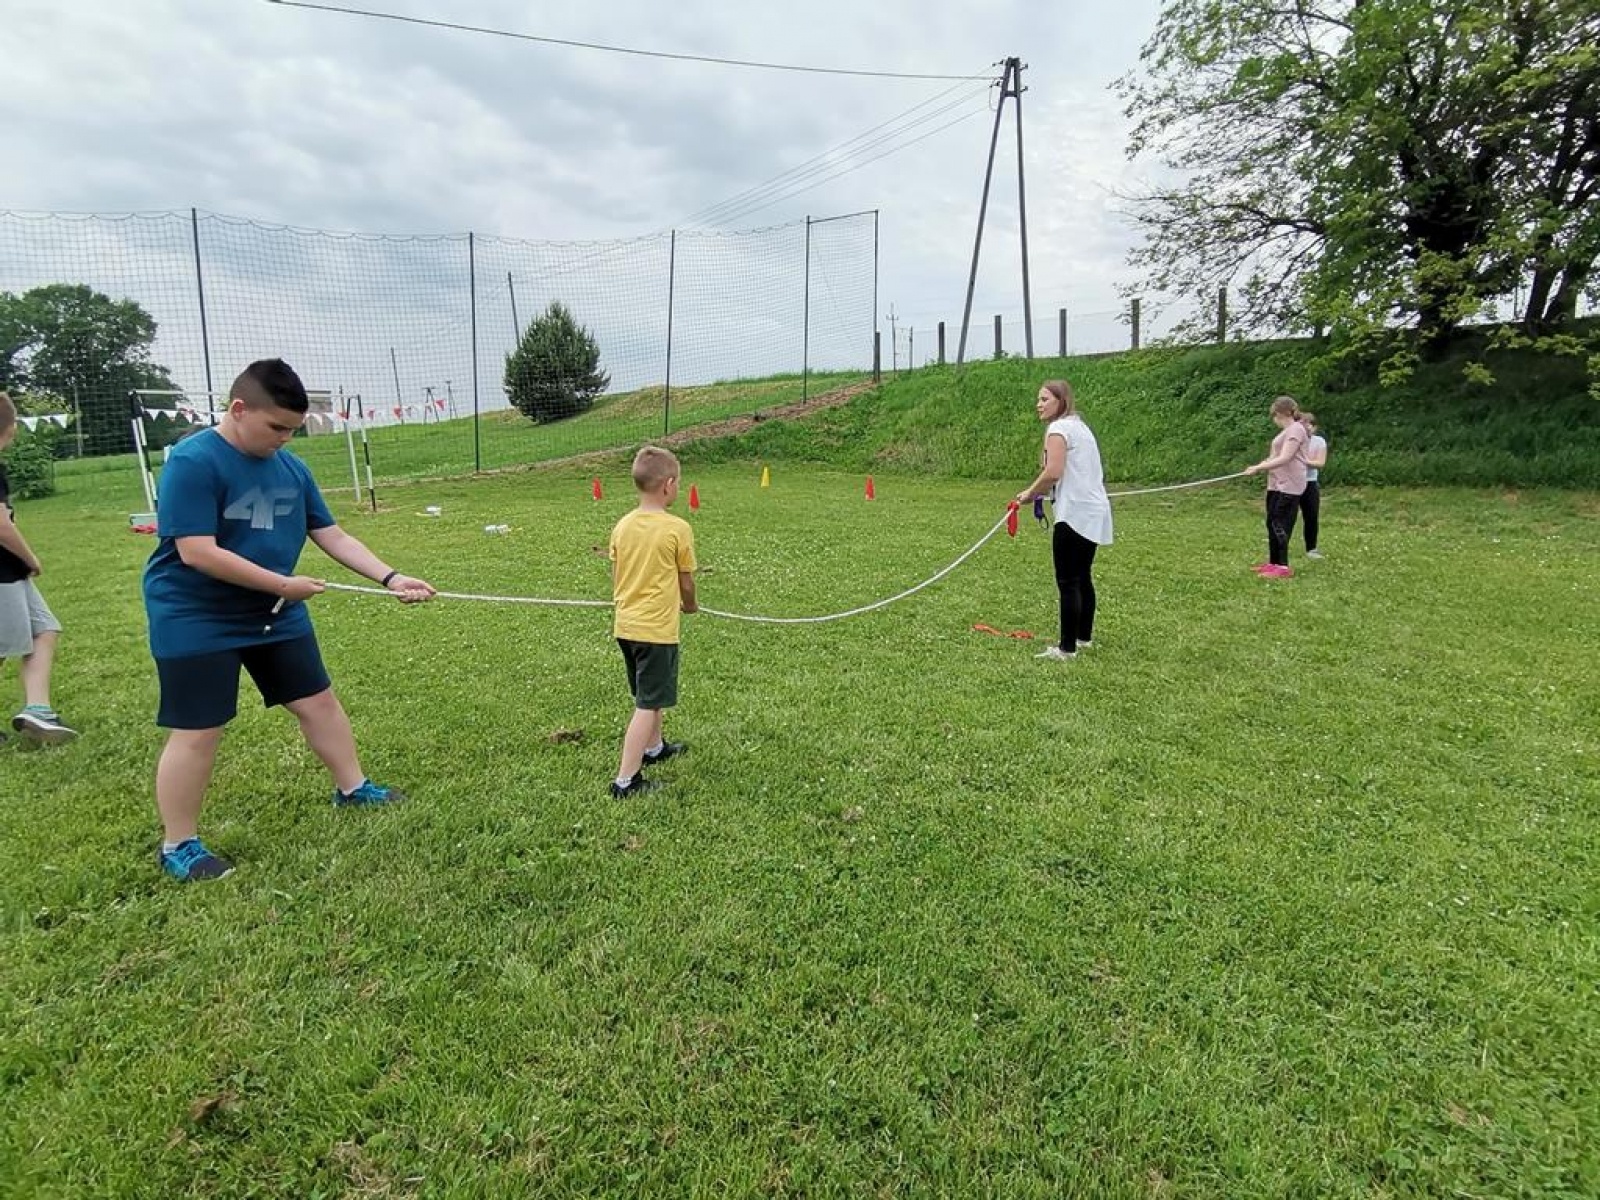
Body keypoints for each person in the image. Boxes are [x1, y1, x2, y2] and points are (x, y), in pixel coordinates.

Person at [143, 359, 436, 882]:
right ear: (238, 409)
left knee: (318, 701)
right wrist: (285, 584)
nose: (284, 439)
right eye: (276, 427)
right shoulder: (193, 460)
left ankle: (353, 788)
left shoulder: (292, 469)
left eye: (293, 430)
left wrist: (391, 578)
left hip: (273, 611)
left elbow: (332, 534)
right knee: (199, 730)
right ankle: (179, 845)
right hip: (196, 613)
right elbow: (196, 552)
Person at [608, 445, 697, 797]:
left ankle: (654, 748)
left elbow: (616, 577)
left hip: (626, 628)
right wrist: (690, 605)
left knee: (650, 693)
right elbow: (686, 581)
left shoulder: (622, 526)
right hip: (656, 633)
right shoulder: (677, 528)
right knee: (646, 704)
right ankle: (626, 780)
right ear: (669, 485)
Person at [1015, 379, 1113, 661]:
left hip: (1076, 512)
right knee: (1082, 576)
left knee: (1069, 580)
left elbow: (1052, 472)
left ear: (1061, 401)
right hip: (1093, 509)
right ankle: (1083, 638)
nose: (1039, 404)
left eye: (1045, 399)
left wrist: (1029, 494)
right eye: (1039, 399)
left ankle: (1066, 648)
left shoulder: (1059, 429)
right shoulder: (1078, 427)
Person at [0, 392, 77, 745]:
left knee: (43, 629)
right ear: (10, 429)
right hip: (3, 573)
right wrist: (32, 559)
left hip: (10, 573)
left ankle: (38, 708)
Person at [1243, 395, 1310, 578]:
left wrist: (1258, 468)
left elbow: (1286, 458)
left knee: (1280, 524)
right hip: (1276, 484)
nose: (1274, 419)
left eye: (1275, 415)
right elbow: (1275, 456)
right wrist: (1262, 464)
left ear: (1280, 413)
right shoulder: (1286, 431)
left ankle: (1282, 567)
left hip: (1290, 485)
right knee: (1271, 522)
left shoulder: (1296, 430)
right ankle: (1273, 563)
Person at [1299, 411, 1327, 559]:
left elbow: (1320, 463)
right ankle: (1280, 547)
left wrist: (1304, 461)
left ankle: (1312, 549)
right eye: (1303, 424)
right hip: (1293, 483)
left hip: (1310, 483)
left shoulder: (1319, 441)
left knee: (1311, 516)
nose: (1306, 428)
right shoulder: (1293, 440)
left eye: (1309, 424)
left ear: (1314, 427)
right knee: (1285, 516)